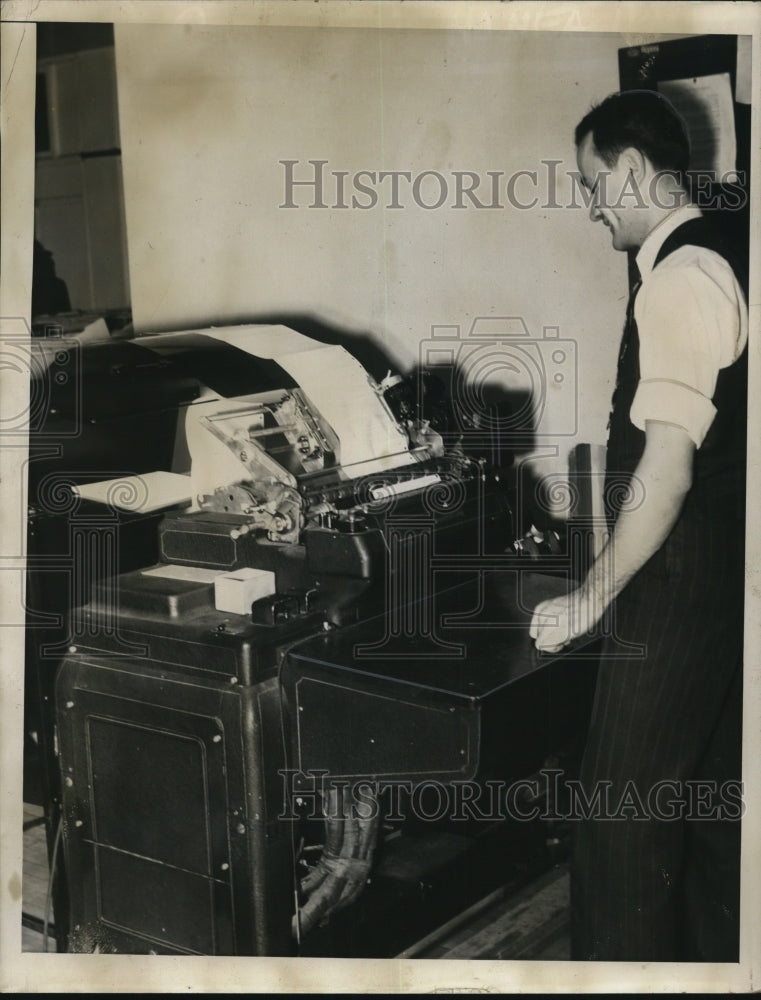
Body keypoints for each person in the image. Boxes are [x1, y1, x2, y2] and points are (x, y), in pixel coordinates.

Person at [529, 90, 748, 961]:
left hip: (678, 575)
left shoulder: (679, 278)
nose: (590, 207)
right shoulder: (734, 247)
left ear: (626, 170)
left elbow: (666, 468)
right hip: (731, 567)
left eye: (591, 184)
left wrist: (587, 598)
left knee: (619, 815)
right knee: (709, 805)